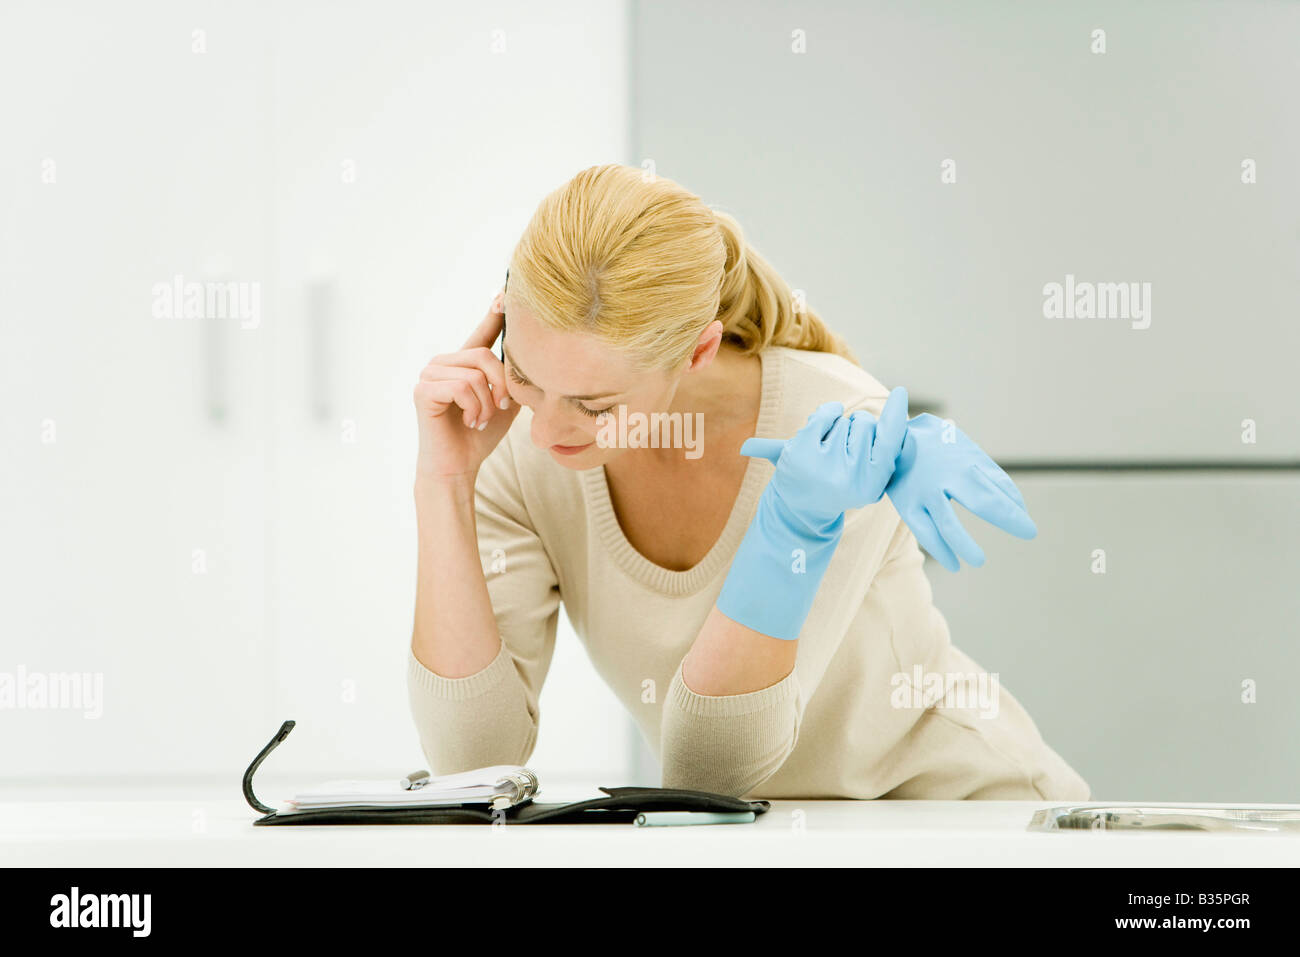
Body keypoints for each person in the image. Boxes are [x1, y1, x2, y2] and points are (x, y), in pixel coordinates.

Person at [407, 163, 1089, 800]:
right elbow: (474, 764)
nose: (550, 426)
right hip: (772, 843)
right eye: (523, 372)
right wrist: (445, 482)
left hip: (962, 813)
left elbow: (712, 768)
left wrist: (791, 530)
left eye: (595, 405)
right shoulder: (517, 444)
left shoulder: (837, 436)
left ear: (698, 350)